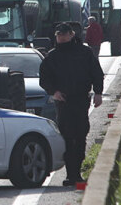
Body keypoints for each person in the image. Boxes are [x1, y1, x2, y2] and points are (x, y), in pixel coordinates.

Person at [39, 23, 104, 186]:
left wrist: (98, 93)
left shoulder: (84, 52)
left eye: (64, 34)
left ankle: (78, 172)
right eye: (59, 35)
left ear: (72, 34)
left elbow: (97, 73)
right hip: (63, 102)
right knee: (67, 136)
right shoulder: (52, 56)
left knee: (80, 135)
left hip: (81, 99)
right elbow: (44, 79)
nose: (61, 37)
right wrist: (54, 92)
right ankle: (70, 174)